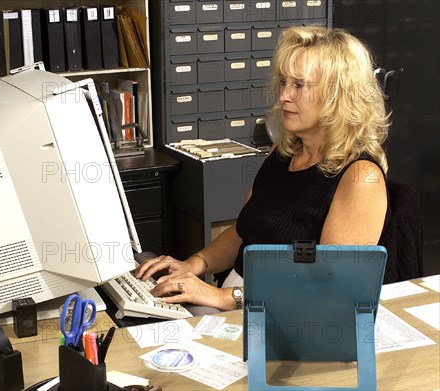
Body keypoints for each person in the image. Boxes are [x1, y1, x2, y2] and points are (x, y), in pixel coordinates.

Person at [135, 25, 390, 311]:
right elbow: (245, 231)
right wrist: (194, 264)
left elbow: (327, 287)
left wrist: (223, 296)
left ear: (338, 95)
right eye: (283, 83)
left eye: (298, 85)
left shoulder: (360, 179)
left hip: (286, 315)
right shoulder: (282, 152)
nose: (283, 96)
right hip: (237, 299)